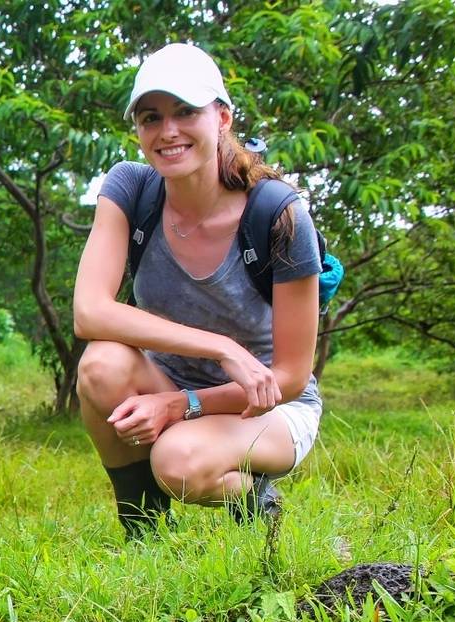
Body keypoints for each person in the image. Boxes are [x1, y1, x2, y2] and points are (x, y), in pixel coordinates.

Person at [72, 43, 323, 539]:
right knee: (100, 365)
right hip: (171, 380)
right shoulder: (130, 189)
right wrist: (221, 347)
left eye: (185, 112)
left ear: (223, 117)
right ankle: (144, 532)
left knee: (178, 461)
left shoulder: (277, 213)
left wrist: (182, 406)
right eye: (151, 117)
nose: (167, 132)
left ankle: (254, 503)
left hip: (268, 407)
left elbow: (290, 377)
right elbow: (89, 312)